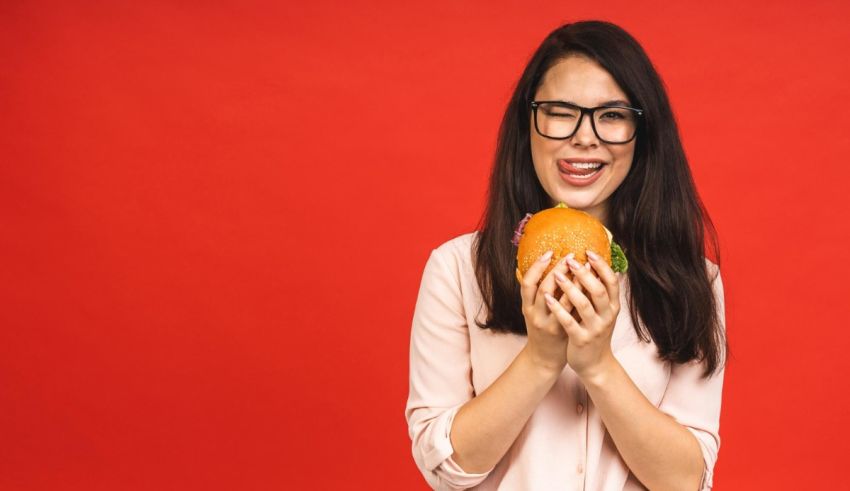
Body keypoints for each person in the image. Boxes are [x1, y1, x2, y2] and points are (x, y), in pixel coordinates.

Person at [404, 20, 728, 491]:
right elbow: (446, 471)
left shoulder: (693, 280)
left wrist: (598, 365)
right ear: (528, 123)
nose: (584, 137)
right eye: (560, 111)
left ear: (642, 132)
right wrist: (539, 359)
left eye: (612, 115)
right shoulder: (457, 270)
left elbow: (685, 481)